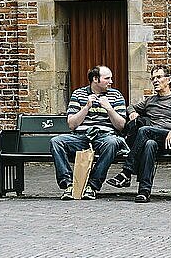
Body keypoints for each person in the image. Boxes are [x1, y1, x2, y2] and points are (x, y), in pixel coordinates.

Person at [106, 65, 171, 203]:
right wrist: (133, 112)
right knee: (149, 144)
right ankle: (144, 192)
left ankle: (126, 173)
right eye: (153, 78)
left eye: (159, 77)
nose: (155, 81)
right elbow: (130, 106)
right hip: (153, 139)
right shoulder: (150, 100)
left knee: (144, 131)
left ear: (169, 79)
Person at [50, 65, 127, 200]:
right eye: (107, 78)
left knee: (112, 142)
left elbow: (121, 126)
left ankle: (92, 186)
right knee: (56, 141)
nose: (111, 82)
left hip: (104, 137)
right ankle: (69, 185)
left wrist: (109, 108)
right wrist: (86, 107)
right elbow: (72, 125)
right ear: (95, 79)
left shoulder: (116, 95)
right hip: (81, 137)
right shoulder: (78, 94)